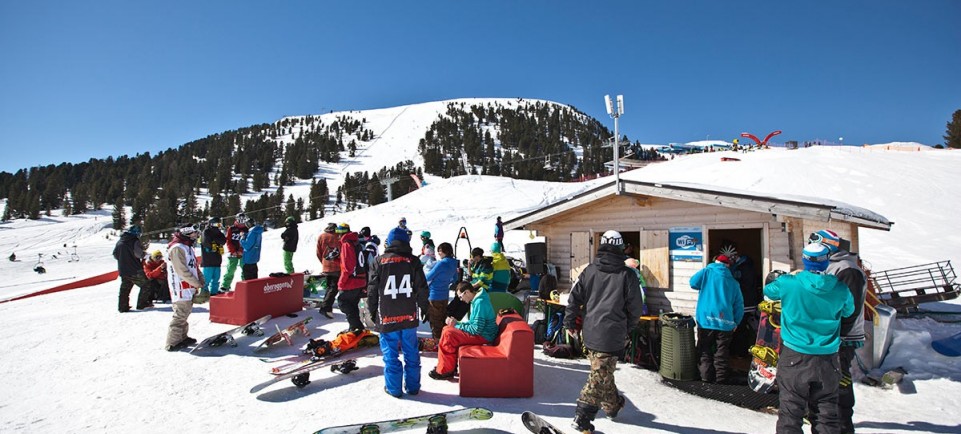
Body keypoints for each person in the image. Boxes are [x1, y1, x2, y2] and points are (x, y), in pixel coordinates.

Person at [764, 243, 855, 434]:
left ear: (805, 261)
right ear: (826, 261)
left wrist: (787, 278)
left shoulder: (790, 283)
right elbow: (849, 310)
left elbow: (769, 291)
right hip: (828, 357)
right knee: (826, 412)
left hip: (794, 355)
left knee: (791, 412)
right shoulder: (840, 289)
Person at [564, 230, 643, 433]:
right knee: (599, 376)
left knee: (601, 373)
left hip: (590, 332)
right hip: (613, 333)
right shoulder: (628, 275)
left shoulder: (589, 270)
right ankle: (582, 416)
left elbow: (573, 298)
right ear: (620, 247)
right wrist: (628, 329)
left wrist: (570, 321)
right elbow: (636, 308)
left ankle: (613, 405)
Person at [810, 229, 867, 434]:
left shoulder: (847, 269)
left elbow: (849, 310)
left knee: (839, 383)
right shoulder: (830, 266)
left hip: (842, 339)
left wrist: (836, 335)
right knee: (825, 383)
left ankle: (842, 425)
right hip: (827, 337)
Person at [366, 226, 430, 397]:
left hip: (386, 315)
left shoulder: (378, 261)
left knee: (391, 354)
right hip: (409, 314)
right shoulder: (414, 261)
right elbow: (422, 288)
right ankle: (413, 387)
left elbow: (372, 290)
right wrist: (425, 307)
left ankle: (394, 389)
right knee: (411, 351)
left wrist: (371, 311)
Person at [689, 254, 744, 384]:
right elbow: (739, 305)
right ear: (728, 266)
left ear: (715, 262)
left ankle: (705, 376)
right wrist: (736, 321)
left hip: (705, 320)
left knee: (704, 349)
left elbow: (692, 283)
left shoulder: (707, 272)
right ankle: (721, 378)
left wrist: (706, 269)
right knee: (722, 351)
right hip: (726, 322)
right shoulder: (733, 282)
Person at [429, 281, 498, 380]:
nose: (461, 300)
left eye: (461, 297)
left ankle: (446, 370)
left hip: (485, 335)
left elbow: (475, 329)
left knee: (449, 334)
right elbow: (474, 324)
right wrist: (457, 324)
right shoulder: (477, 300)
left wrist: (456, 324)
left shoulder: (480, 303)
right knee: (447, 329)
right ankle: (447, 367)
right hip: (484, 333)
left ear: (466, 292)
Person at [165, 224, 206, 351]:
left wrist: (201, 280)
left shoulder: (187, 247)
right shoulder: (177, 248)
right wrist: (196, 283)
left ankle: (182, 337)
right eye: (193, 234)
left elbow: (194, 267)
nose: (195, 236)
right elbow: (181, 270)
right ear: (186, 233)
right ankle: (172, 342)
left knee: (185, 312)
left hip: (189, 286)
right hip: (180, 287)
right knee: (180, 314)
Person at [719, 242, 760, 356]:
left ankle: (741, 355)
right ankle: (738, 354)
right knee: (737, 330)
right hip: (736, 303)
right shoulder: (735, 267)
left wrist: (732, 285)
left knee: (741, 330)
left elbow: (747, 284)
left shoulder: (746, 266)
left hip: (746, 303)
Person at [112, 224, 152, 312]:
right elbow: (139, 254)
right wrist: (145, 255)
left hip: (123, 270)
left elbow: (115, 255)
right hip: (135, 269)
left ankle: (123, 307)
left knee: (125, 288)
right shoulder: (134, 241)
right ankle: (142, 304)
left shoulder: (120, 241)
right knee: (146, 285)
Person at [336, 223, 367, 332]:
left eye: (339, 233)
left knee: (343, 303)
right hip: (360, 280)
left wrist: (341, 282)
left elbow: (348, 267)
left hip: (351, 281)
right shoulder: (356, 242)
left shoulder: (346, 244)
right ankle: (355, 327)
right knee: (352, 305)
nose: (338, 236)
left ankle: (356, 327)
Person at [425, 242, 458, 339]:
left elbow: (428, 276)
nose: (439, 253)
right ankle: (445, 339)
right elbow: (455, 278)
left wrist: (425, 269)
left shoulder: (441, 263)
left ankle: (437, 342)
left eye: (440, 251)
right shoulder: (453, 263)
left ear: (444, 251)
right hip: (445, 295)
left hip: (435, 295)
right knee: (443, 318)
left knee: (435, 320)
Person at [316, 222, 341, 319]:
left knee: (329, 287)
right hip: (336, 266)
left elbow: (318, 252)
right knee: (333, 288)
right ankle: (326, 308)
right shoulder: (338, 237)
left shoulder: (321, 236)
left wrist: (323, 261)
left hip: (326, 265)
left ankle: (325, 307)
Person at [222, 213, 249, 291]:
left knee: (245, 269)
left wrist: (241, 250)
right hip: (233, 252)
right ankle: (226, 285)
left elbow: (248, 241)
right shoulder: (232, 229)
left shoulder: (247, 229)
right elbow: (228, 241)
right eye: (240, 220)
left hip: (243, 252)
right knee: (230, 269)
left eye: (243, 220)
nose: (241, 222)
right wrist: (233, 251)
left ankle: (245, 285)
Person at [201, 217, 227, 295]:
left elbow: (223, 241)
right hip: (208, 259)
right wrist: (215, 242)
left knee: (216, 278)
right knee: (207, 278)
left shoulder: (219, 232)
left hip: (217, 259)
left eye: (219, 224)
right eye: (216, 224)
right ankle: (204, 291)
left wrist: (215, 241)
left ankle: (214, 292)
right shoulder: (206, 232)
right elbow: (206, 243)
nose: (217, 226)